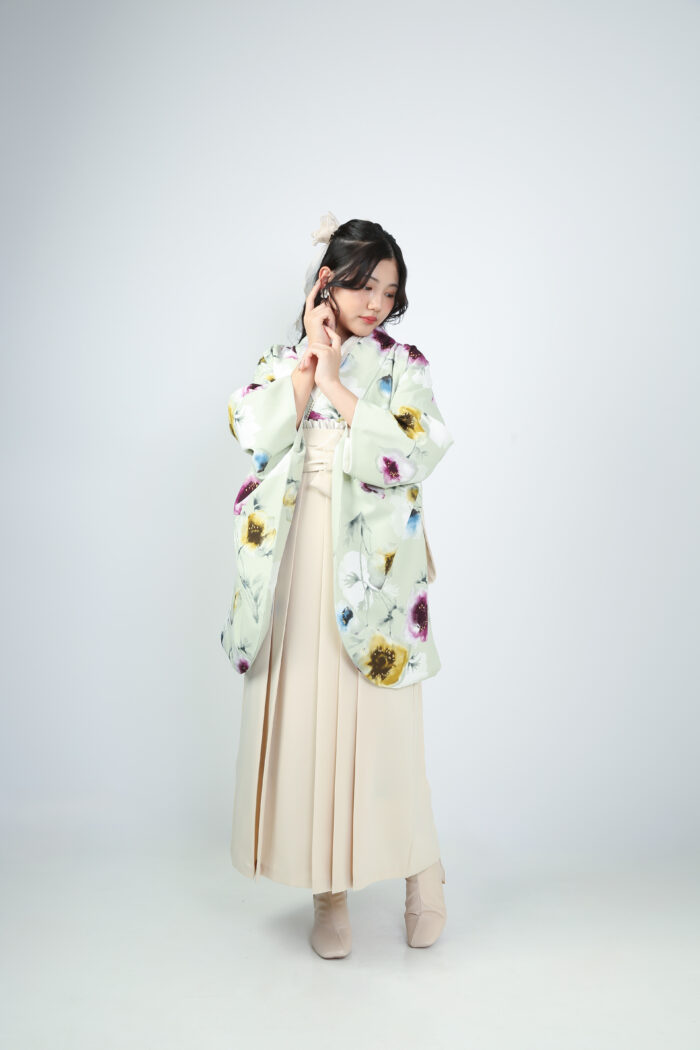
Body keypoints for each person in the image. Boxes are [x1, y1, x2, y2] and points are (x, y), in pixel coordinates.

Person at [221, 213, 454, 959]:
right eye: (364, 286)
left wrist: (336, 387)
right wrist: (307, 368)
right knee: (311, 726)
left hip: (375, 571)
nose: (376, 303)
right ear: (328, 281)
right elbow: (254, 434)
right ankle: (329, 892)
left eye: (389, 291)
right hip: (298, 561)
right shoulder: (282, 361)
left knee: (388, 733)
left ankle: (424, 872)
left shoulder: (402, 365)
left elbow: (419, 447)